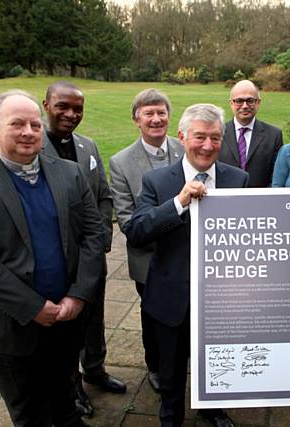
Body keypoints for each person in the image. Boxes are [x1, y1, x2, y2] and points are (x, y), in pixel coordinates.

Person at [0, 90, 105, 427]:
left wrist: (78, 295)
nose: (29, 131)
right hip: (8, 328)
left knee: (65, 403)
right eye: (17, 123)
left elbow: (94, 235)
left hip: (67, 319)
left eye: (34, 123)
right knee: (29, 413)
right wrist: (32, 307)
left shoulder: (70, 174)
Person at [126, 104, 249, 427]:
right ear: (182, 137)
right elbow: (137, 231)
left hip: (222, 301)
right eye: (199, 137)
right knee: (170, 374)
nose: (207, 146)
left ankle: (213, 410)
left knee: (217, 365)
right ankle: (171, 418)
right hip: (171, 299)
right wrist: (178, 203)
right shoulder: (156, 181)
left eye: (215, 138)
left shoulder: (238, 179)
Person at [41, 81, 125, 417]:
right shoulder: (34, 148)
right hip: (56, 260)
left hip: (91, 255)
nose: (71, 114)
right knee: (66, 326)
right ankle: (71, 386)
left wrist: (103, 239)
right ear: (46, 104)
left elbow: (103, 195)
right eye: (63, 106)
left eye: (78, 108)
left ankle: (95, 370)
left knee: (94, 318)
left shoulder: (88, 147)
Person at [109, 88, 184, 391]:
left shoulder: (188, 148)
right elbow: (127, 220)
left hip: (190, 254)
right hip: (149, 259)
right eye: (148, 114)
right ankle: (156, 366)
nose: (156, 119)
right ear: (136, 119)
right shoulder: (120, 162)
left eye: (161, 112)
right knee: (154, 316)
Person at [219, 79, 283, 187]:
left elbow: (276, 176)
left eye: (250, 100)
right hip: (225, 200)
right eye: (239, 101)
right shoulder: (218, 133)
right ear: (231, 103)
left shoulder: (274, 135)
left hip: (260, 200)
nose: (244, 106)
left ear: (258, 103)